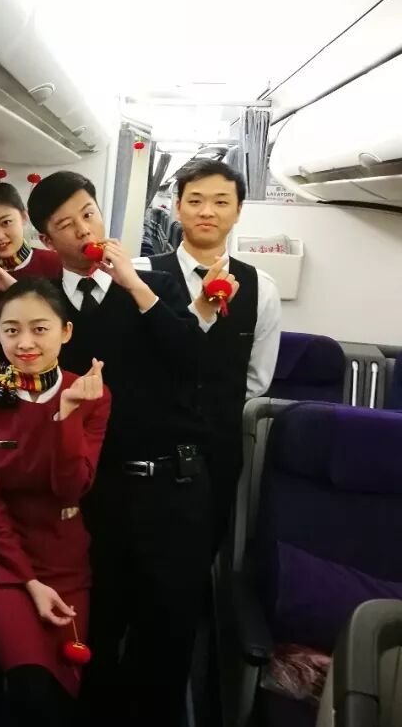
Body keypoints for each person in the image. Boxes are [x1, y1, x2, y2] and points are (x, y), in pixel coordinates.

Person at [25, 170, 232, 727]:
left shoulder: (156, 284)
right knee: (96, 631)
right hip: (99, 494)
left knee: (167, 639)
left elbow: (192, 360)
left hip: (173, 488)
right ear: (47, 239)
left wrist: (134, 284)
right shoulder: (46, 308)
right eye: (66, 224)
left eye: (89, 214)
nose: (83, 230)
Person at [0, 278, 110, 727]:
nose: (24, 343)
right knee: (31, 687)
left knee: (64, 694)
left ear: (66, 332)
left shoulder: (90, 394)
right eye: (11, 330)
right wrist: (27, 581)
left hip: (65, 560)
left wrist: (66, 414)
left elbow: (72, 489)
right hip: (3, 561)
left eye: (39, 329)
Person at [134, 158, 281, 551]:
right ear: (177, 207)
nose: (207, 212)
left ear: (238, 211)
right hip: (146, 442)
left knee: (204, 548)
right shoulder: (139, 274)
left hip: (218, 446)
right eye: (196, 200)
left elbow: (257, 378)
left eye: (220, 202)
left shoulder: (262, 288)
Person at [0, 181, 63, 359]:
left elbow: (65, 326)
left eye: (6, 222)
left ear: (24, 217)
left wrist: (14, 288)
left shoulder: (55, 263)